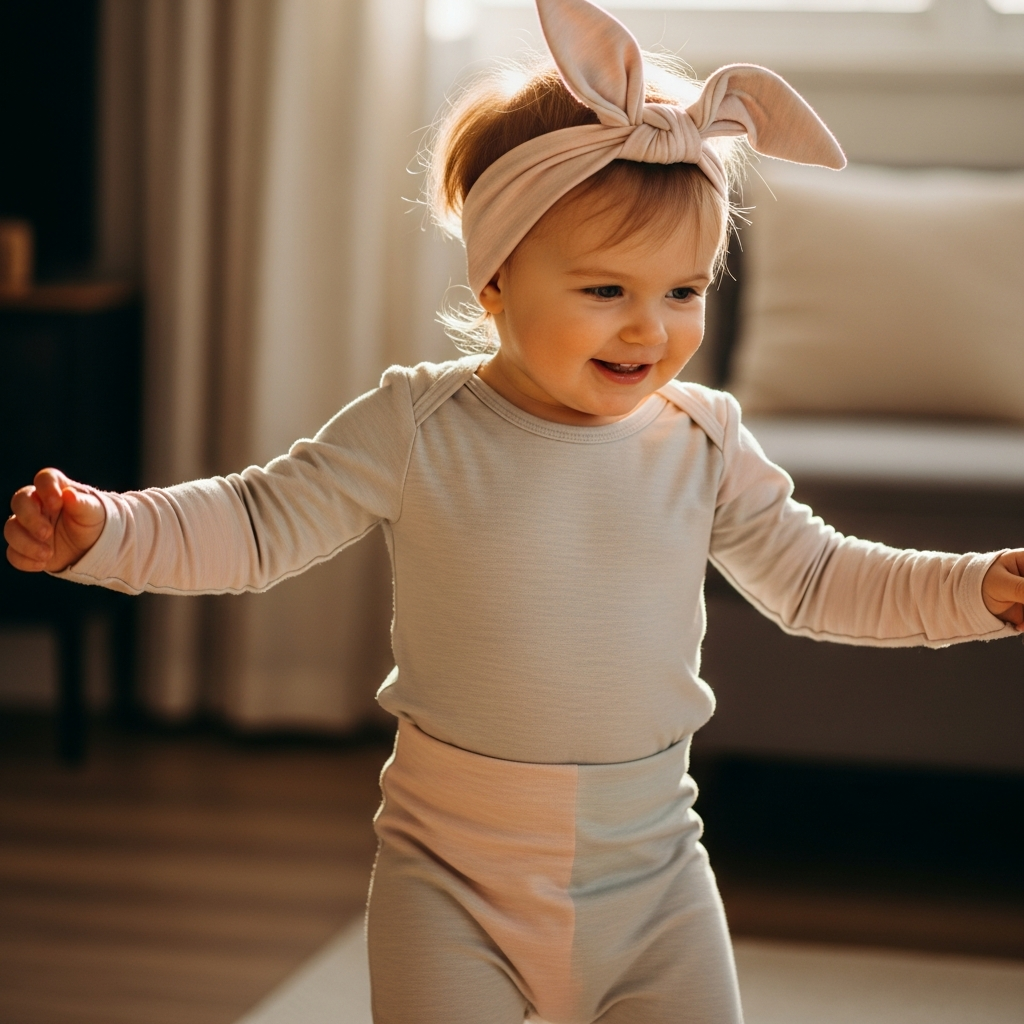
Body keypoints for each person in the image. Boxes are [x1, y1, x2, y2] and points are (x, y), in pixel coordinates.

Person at [6, 0, 1023, 1020]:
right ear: (495, 279)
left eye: (682, 291)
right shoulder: (416, 425)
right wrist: (111, 533)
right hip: (450, 881)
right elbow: (257, 522)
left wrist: (976, 588)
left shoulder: (705, 441)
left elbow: (819, 578)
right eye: (604, 290)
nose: (650, 330)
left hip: (655, 882)